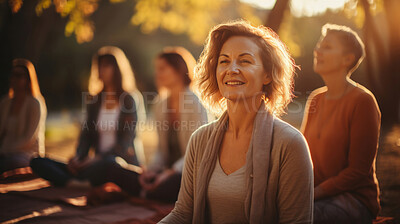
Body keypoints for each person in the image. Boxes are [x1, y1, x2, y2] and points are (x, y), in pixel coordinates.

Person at [160, 20, 313, 223]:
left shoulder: (290, 144)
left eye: (244, 61)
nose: (231, 69)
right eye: (224, 61)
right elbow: (182, 214)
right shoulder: (200, 139)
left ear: (267, 75)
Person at [30, 46, 146, 187]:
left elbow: (126, 142)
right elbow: (85, 136)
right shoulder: (95, 101)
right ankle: (75, 182)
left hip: (118, 164)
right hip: (94, 165)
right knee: (37, 162)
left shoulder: (129, 99)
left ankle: (72, 181)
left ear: (117, 69)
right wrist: (79, 158)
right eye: (99, 66)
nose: (101, 70)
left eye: (106, 66)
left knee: (112, 163)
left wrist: (97, 159)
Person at [104, 47, 208, 203]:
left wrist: (170, 173)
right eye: (156, 69)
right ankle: (147, 191)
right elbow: (161, 150)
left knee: (174, 184)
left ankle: (146, 193)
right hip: (166, 172)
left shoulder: (196, 104)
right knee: (121, 172)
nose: (157, 74)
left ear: (178, 70)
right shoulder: (160, 104)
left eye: (162, 69)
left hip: (189, 173)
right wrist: (151, 171)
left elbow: (198, 152)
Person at [301, 24, 381, 223]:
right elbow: (303, 152)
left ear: (348, 59)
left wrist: (313, 194)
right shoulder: (316, 98)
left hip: (354, 199)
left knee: (302, 217)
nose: (317, 49)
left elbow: (357, 172)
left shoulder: (363, 101)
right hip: (315, 194)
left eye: (327, 46)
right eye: (319, 44)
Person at [0, 59, 47, 174]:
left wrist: (5, 150)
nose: (14, 79)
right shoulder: (5, 103)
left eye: (19, 75)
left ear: (28, 79)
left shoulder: (35, 103)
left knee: (10, 162)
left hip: (27, 154)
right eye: (13, 75)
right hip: (4, 152)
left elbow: (29, 139)